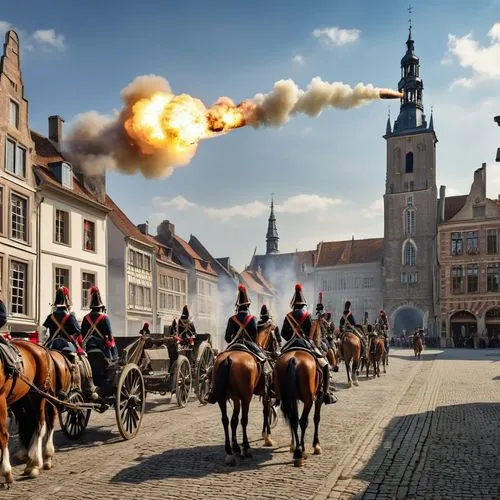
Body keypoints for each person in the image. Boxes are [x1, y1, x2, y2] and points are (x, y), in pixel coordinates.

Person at [205, 284, 270, 404]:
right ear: (248, 305)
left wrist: (233, 342)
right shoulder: (253, 319)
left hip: (234, 344)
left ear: (237, 306)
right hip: (250, 346)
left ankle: (212, 391)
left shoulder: (232, 319)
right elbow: (255, 336)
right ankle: (266, 388)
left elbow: (227, 337)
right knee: (264, 362)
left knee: (217, 362)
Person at [281, 284, 336, 404]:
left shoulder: (288, 316)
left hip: (290, 345)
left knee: (277, 362)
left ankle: (275, 389)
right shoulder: (308, 316)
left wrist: (291, 338)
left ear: (293, 304)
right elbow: (311, 333)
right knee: (325, 366)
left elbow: (283, 333)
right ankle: (326, 393)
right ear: (304, 304)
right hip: (306, 344)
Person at [43, 287, 99, 401]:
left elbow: (44, 329)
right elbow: (78, 332)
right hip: (66, 346)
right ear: (67, 303)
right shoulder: (69, 316)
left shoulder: (51, 316)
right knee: (83, 360)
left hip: (51, 346)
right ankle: (88, 387)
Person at [81, 286, 118, 361]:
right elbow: (110, 336)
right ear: (101, 307)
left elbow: (82, 335)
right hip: (102, 349)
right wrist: (114, 354)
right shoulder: (104, 317)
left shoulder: (86, 318)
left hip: (88, 349)